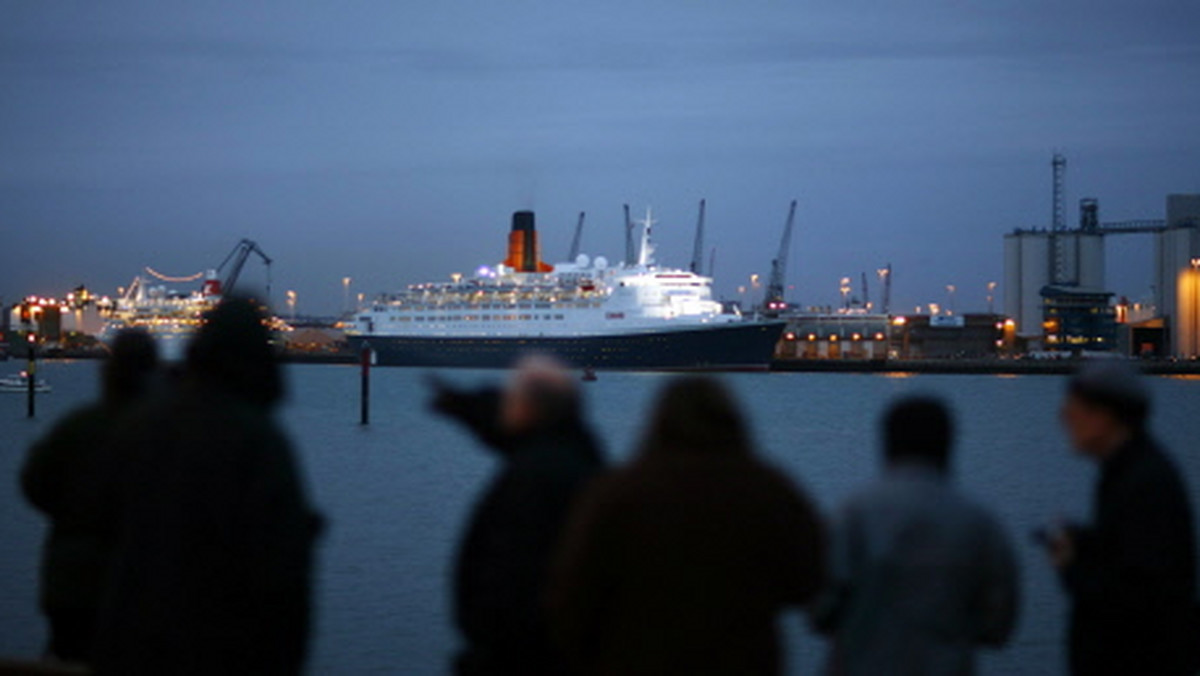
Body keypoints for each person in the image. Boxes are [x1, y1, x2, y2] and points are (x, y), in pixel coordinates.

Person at [92, 298, 322, 675]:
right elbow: (280, 567)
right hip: (225, 640)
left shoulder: (144, 423)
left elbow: (92, 508)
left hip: (134, 629)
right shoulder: (257, 440)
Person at [548, 376, 826, 676]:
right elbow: (812, 584)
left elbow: (572, 592)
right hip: (741, 660)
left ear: (657, 421)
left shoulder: (616, 493)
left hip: (638, 658)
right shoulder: (770, 490)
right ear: (734, 419)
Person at [812, 396, 1019, 676]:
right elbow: (998, 627)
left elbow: (821, 611)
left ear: (886, 443)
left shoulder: (852, 516)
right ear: (948, 445)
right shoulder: (980, 524)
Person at [433, 355, 605, 675]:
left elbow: (513, 582)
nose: (508, 408)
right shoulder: (582, 454)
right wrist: (472, 409)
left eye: (513, 401)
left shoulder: (536, 479)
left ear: (526, 409)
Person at [1046, 361, 1197, 675]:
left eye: (1072, 409)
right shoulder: (1137, 473)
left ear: (1103, 416)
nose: (1063, 417)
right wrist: (1090, 545)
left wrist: (1074, 565)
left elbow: (1137, 600)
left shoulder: (1142, 483)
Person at [20, 329, 159, 665]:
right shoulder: (165, 434)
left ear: (108, 371)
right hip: (138, 587)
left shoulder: (79, 425)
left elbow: (33, 483)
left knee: (69, 654)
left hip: (71, 585)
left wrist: (71, 512)